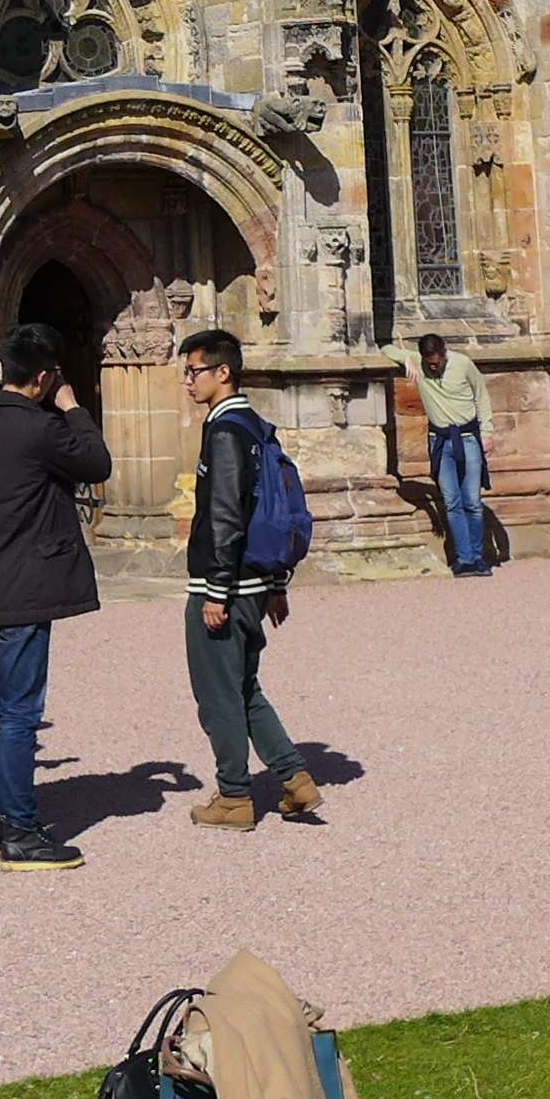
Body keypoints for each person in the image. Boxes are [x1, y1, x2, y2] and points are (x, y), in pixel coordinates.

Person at [0, 321, 111, 870]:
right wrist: (72, 405)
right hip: (25, 587)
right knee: (20, 711)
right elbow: (97, 462)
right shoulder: (40, 428)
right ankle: (21, 831)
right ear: (42, 376)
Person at [180, 328, 320, 830]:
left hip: (227, 586)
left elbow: (226, 515)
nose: (187, 381)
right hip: (258, 582)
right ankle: (295, 778)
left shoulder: (223, 431)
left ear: (223, 372)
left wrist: (215, 590)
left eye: (194, 371)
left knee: (218, 695)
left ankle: (235, 798)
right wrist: (278, 582)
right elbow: (270, 507)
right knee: (244, 687)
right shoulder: (257, 426)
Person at [394, 332, 492, 576]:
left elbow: (482, 396)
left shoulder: (463, 364)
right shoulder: (418, 362)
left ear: (444, 353)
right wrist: (405, 360)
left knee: (472, 500)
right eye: (429, 363)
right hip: (439, 441)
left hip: (468, 439)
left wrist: (488, 431)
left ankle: (479, 558)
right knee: (451, 501)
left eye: (436, 361)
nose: (433, 366)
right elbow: (386, 349)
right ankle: (464, 558)